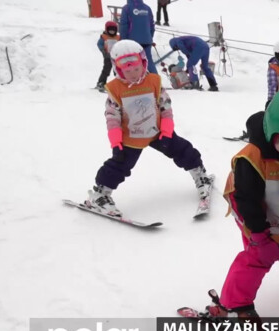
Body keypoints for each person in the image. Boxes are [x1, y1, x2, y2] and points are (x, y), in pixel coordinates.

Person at [205, 86, 279, 331]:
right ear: (270, 131)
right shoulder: (251, 158)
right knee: (258, 257)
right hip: (255, 212)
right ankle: (234, 306)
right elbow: (247, 200)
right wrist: (259, 236)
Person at [84, 40, 212, 216]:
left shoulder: (153, 81)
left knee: (183, 150)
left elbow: (165, 108)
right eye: (127, 71)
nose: (133, 74)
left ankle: (200, 175)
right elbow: (112, 118)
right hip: (131, 138)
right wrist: (116, 143)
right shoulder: (115, 89)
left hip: (157, 132)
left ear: (143, 63)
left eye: (136, 69)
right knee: (119, 166)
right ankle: (100, 195)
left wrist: (167, 133)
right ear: (118, 68)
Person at [119, 0, 157, 74]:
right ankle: (157, 82)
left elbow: (124, 26)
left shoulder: (126, 8)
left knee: (133, 64)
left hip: (132, 42)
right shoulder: (147, 8)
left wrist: (123, 40)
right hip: (146, 41)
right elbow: (152, 25)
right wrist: (149, 37)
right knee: (149, 63)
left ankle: (135, 83)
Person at [95, 21, 121, 91]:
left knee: (118, 71)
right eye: (110, 30)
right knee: (106, 70)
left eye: (114, 30)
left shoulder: (118, 37)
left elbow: (121, 44)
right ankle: (101, 82)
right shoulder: (104, 37)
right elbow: (99, 44)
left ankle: (120, 83)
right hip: (108, 57)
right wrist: (103, 50)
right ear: (107, 29)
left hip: (117, 58)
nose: (112, 31)